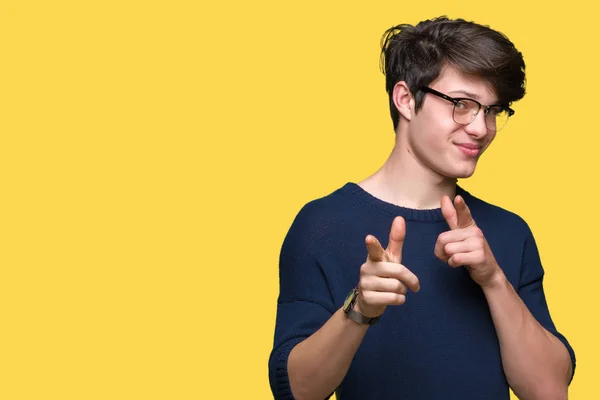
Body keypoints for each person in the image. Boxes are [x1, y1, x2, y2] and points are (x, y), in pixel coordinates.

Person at [268, 16, 576, 400]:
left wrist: (493, 279)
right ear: (405, 99)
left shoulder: (508, 232)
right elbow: (298, 391)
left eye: (493, 110)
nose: (481, 128)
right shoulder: (322, 225)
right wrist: (360, 307)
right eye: (462, 104)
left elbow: (549, 391)